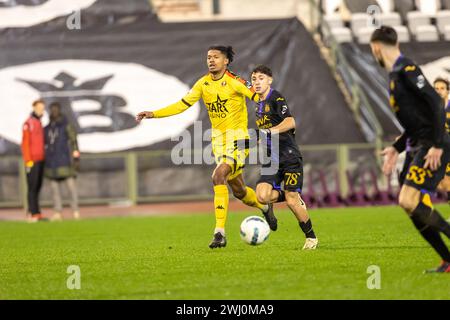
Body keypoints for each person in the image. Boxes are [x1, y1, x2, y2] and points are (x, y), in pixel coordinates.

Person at [136, 45, 275, 249]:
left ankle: (219, 233)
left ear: (226, 61)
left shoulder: (236, 82)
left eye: (216, 57)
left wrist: (266, 123)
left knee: (218, 176)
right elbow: (182, 104)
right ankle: (264, 206)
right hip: (219, 144)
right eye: (208, 57)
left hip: (238, 141)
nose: (211, 60)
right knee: (239, 191)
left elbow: (260, 97)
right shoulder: (203, 83)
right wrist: (153, 113)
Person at [371, 26, 450, 273]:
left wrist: (437, 144)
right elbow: (418, 119)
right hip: (418, 144)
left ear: (376, 47)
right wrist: (396, 147)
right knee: (408, 204)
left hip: (430, 145)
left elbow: (436, 102)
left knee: (408, 199)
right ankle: (447, 260)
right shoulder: (396, 73)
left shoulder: (407, 69)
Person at [251, 65, 318, 250]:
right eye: (254, 78)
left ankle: (311, 237)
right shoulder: (259, 101)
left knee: (292, 202)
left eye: (261, 78)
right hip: (271, 159)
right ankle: (289, 196)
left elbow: (290, 121)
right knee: (262, 196)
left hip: (289, 157)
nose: (257, 82)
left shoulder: (275, 97)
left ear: (270, 80)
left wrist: (266, 132)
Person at [44, 102, 80, 221]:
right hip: (51, 162)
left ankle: (75, 211)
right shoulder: (47, 128)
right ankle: (58, 212)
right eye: (52, 109)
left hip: (65, 161)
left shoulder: (66, 126)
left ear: (59, 110)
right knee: (54, 189)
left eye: (56, 109)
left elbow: (74, 142)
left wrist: (76, 158)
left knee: (71, 187)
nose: (54, 111)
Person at [21, 100, 46, 222]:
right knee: (32, 187)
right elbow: (25, 143)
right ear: (34, 108)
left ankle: (37, 212)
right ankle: (32, 213)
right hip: (32, 160)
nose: (42, 110)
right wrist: (28, 160)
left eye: (43, 108)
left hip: (41, 159)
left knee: (38, 186)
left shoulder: (39, 122)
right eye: (40, 108)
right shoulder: (29, 123)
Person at [433, 77, 450, 208]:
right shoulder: (431, 110)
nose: (439, 91)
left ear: (447, 91)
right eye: (436, 88)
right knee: (443, 183)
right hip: (440, 151)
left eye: (442, 88)